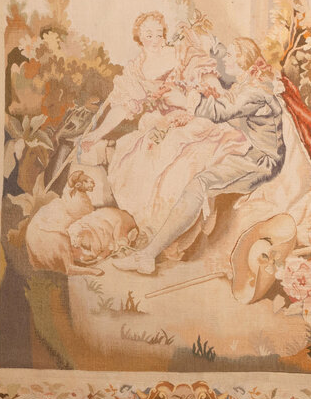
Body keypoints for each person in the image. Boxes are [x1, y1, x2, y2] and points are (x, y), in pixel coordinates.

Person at [113, 37, 287, 274]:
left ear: (242, 59)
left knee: (198, 184)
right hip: (249, 150)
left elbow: (224, 111)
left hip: (260, 161)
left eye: (230, 55)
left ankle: (147, 256)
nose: (225, 59)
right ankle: (149, 250)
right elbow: (229, 109)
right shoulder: (249, 84)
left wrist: (185, 100)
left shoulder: (256, 92)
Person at [78, 12, 250, 240]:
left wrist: (195, 101)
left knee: (187, 160)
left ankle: (197, 217)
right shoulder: (136, 70)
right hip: (162, 124)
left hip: (193, 116)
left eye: (159, 34)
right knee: (141, 161)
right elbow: (122, 108)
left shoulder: (181, 53)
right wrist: (97, 133)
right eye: (148, 34)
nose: (154, 40)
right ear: (138, 37)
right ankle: (157, 230)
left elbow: (211, 88)